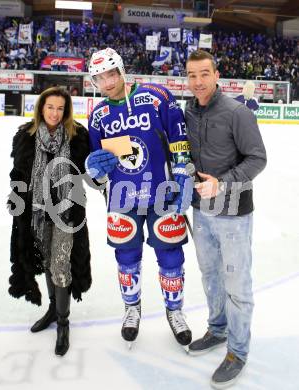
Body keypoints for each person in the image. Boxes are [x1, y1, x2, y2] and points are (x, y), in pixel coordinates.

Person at [85, 48, 194, 350]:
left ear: (121, 70)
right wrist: (94, 172)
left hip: (163, 194)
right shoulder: (98, 116)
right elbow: (98, 168)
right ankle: (132, 309)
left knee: (171, 257)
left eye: (110, 74)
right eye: (99, 78)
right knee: (127, 259)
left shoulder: (157, 96)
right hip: (123, 199)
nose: (106, 82)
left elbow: (179, 139)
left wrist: (184, 171)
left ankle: (175, 311)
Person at [185, 50, 267, 388]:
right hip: (201, 211)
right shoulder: (188, 111)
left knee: (237, 285)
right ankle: (218, 331)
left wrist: (223, 183)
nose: (198, 82)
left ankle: (238, 350)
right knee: (210, 276)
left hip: (233, 214)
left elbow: (257, 159)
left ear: (216, 75)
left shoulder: (236, 113)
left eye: (204, 74)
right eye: (192, 75)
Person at [8, 86, 92, 356]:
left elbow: (89, 172)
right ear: (41, 108)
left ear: (66, 111)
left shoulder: (77, 136)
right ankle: (53, 311)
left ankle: (64, 323)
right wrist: (16, 198)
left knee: (60, 264)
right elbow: (18, 172)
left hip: (66, 213)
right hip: (36, 212)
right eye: (50, 107)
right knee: (45, 261)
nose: (55, 113)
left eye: (60, 108)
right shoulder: (26, 136)